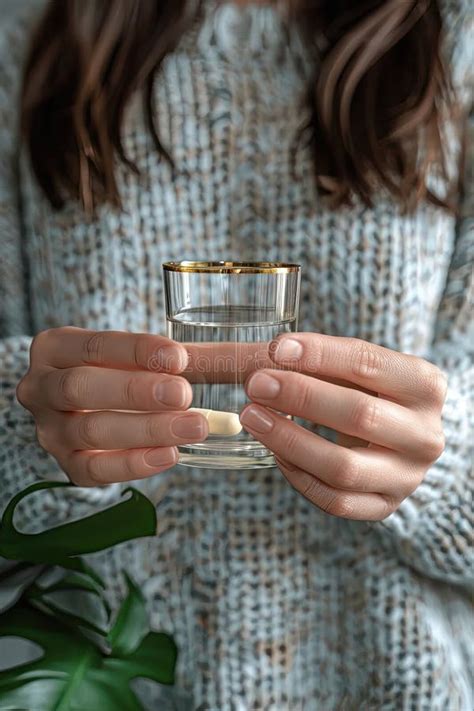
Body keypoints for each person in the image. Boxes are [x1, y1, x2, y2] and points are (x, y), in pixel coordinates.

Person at [1, 0, 472, 708]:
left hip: (393, 681)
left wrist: (449, 460)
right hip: (98, 681)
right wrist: (24, 431)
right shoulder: (27, 31)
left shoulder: (459, 35)